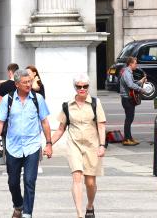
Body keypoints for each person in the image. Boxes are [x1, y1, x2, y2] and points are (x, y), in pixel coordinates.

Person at [0, 68, 53, 218]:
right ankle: (18, 205)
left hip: (32, 146)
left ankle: (27, 213)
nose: (28, 85)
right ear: (17, 84)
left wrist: (49, 143)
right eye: (25, 83)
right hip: (13, 146)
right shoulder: (8, 99)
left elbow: (45, 122)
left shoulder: (38, 99)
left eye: (30, 82)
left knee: (30, 181)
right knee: (12, 182)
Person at [50, 73, 106, 218]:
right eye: (79, 86)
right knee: (77, 177)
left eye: (85, 86)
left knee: (90, 182)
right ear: (75, 87)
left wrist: (102, 145)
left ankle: (89, 206)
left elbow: (101, 126)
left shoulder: (95, 103)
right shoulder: (67, 106)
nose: (82, 89)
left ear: (88, 87)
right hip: (74, 145)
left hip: (92, 145)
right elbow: (61, 129)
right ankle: (79, 214)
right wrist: (49, 143)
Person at [119, 56, 146, 146]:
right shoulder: (127, 73)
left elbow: (132, 82)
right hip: (127, 99)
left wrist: (140, 81)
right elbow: (130, 85)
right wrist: (140, 89)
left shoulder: (129, 72)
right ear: (130, 64)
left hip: (128, 98)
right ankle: (126, 139)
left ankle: (129, 137)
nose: (136, 65)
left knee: (130, 118)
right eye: (135, 63)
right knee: (129, 119)